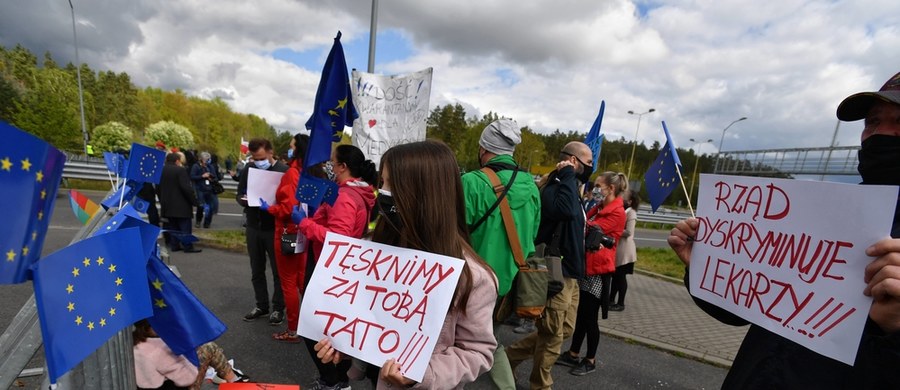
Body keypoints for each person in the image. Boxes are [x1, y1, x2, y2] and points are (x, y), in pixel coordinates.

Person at [667, 71, 900, 388]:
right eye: (873, 122)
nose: (880, 133)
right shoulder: (826, 216)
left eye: (899, 121)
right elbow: (745, 311)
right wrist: (705, 267)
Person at [313, 140, 498, 389]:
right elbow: (366, 318)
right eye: (382, 184)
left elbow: (478, 352)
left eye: (392, 185)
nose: (383, 193)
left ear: (423, 195)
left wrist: (422, 374)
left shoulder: (472, 277)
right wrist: (342, 344)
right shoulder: (374, 250)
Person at [505, 141, 593, 390]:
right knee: (552, 335)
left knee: (564, 330)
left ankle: (509, 356)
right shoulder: (556, 187)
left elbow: (572, 221)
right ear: (573, 162)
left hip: (572, 273)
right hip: (557, 272)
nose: (591, 167)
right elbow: (564, 210)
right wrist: (565, 174)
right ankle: (540, 385)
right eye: (588, 162)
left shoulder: (571, 188)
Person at [460, 119, 540, 390]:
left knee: (453, 340)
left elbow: (451, 233)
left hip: (470, 280)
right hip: (509, 283)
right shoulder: (531, 186)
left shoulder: (471, 182)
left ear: (483, 149)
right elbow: (532, 239)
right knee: (489, 338)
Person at [292, 144, 377, 390]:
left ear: (343, 166)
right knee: (333, 325)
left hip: (331, 269)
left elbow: (338, 239)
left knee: (311, 327)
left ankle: (332, 380)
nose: (329, 166)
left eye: (332, 162)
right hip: (342, 269)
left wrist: (305, 224)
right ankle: (338, 379)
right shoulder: (357, 192)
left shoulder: (345, 195)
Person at [559, 172, 627, 376]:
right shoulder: (599, 208)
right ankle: (573, 353)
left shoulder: (616, 213)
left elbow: (587, 229)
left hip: (598, 271)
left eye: (598, 185)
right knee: (581, 315)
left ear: (610, 188)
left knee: (589, 318)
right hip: (586, 267)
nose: (594, 188)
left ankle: (590, 359)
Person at [259, 134, 310, 343]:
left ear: (297, 149)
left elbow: (287, 208)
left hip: (287, 232)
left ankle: (293, 329)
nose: (289, 149)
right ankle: (309, 326)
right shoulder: (310, 172)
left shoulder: (292, 173)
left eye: (291, 146)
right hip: (303, 232)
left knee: (288, 283)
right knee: (301, 282)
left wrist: (268, 208)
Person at [236, 138, 288, 325]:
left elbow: (289, 201)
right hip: (253, 225)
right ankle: (261, 305)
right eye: (254, 158)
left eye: (260, 157)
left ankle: (278, 308)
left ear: (270, 152)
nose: (258, 161)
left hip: (274, 227)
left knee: (277, 271)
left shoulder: (283, 171)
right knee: (256, 269)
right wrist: (244, 200)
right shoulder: (249, 170)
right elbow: (239, 193)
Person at [132, 320, 250, 389]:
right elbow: (188, 378)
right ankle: (236, 382)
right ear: (149, 327)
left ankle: (234, 380)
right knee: (209, 348)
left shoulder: (135, 341)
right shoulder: (157, 349)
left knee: (205, 348)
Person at [157, 152, 201, 253]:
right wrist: (194, 201)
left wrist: (162, 200)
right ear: (177, 161)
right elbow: (186, 188)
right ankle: (187, 246)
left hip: (167, 204)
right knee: (185, 227)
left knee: (173, 226)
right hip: (181, 204)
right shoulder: (180, 171)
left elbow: (158, 188)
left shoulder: (161, 171)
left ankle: (174, 245)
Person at [610, 190, 640, 311]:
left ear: (630, 201)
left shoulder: (631, 213)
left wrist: (614, 230)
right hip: (620, 250)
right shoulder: (624, 211)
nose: (622, 198)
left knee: (621, 278)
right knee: (616, 276)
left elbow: (628, 232)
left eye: (625, 197)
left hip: (626, 251)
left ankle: (621, 303)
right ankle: (610, 299)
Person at [190, 151, 220, 229]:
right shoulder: (196, 166)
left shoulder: (210, 167)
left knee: (210, 207)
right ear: (201, 159)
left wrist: (211, 178)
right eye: (206, 159)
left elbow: (216, 178)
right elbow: (192, 176)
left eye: (208, 159)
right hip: (200, 189)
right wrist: (202, 176)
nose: (207, 161)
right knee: (201, 206)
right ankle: (198, 221)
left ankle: (207, 223)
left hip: (210, 189)